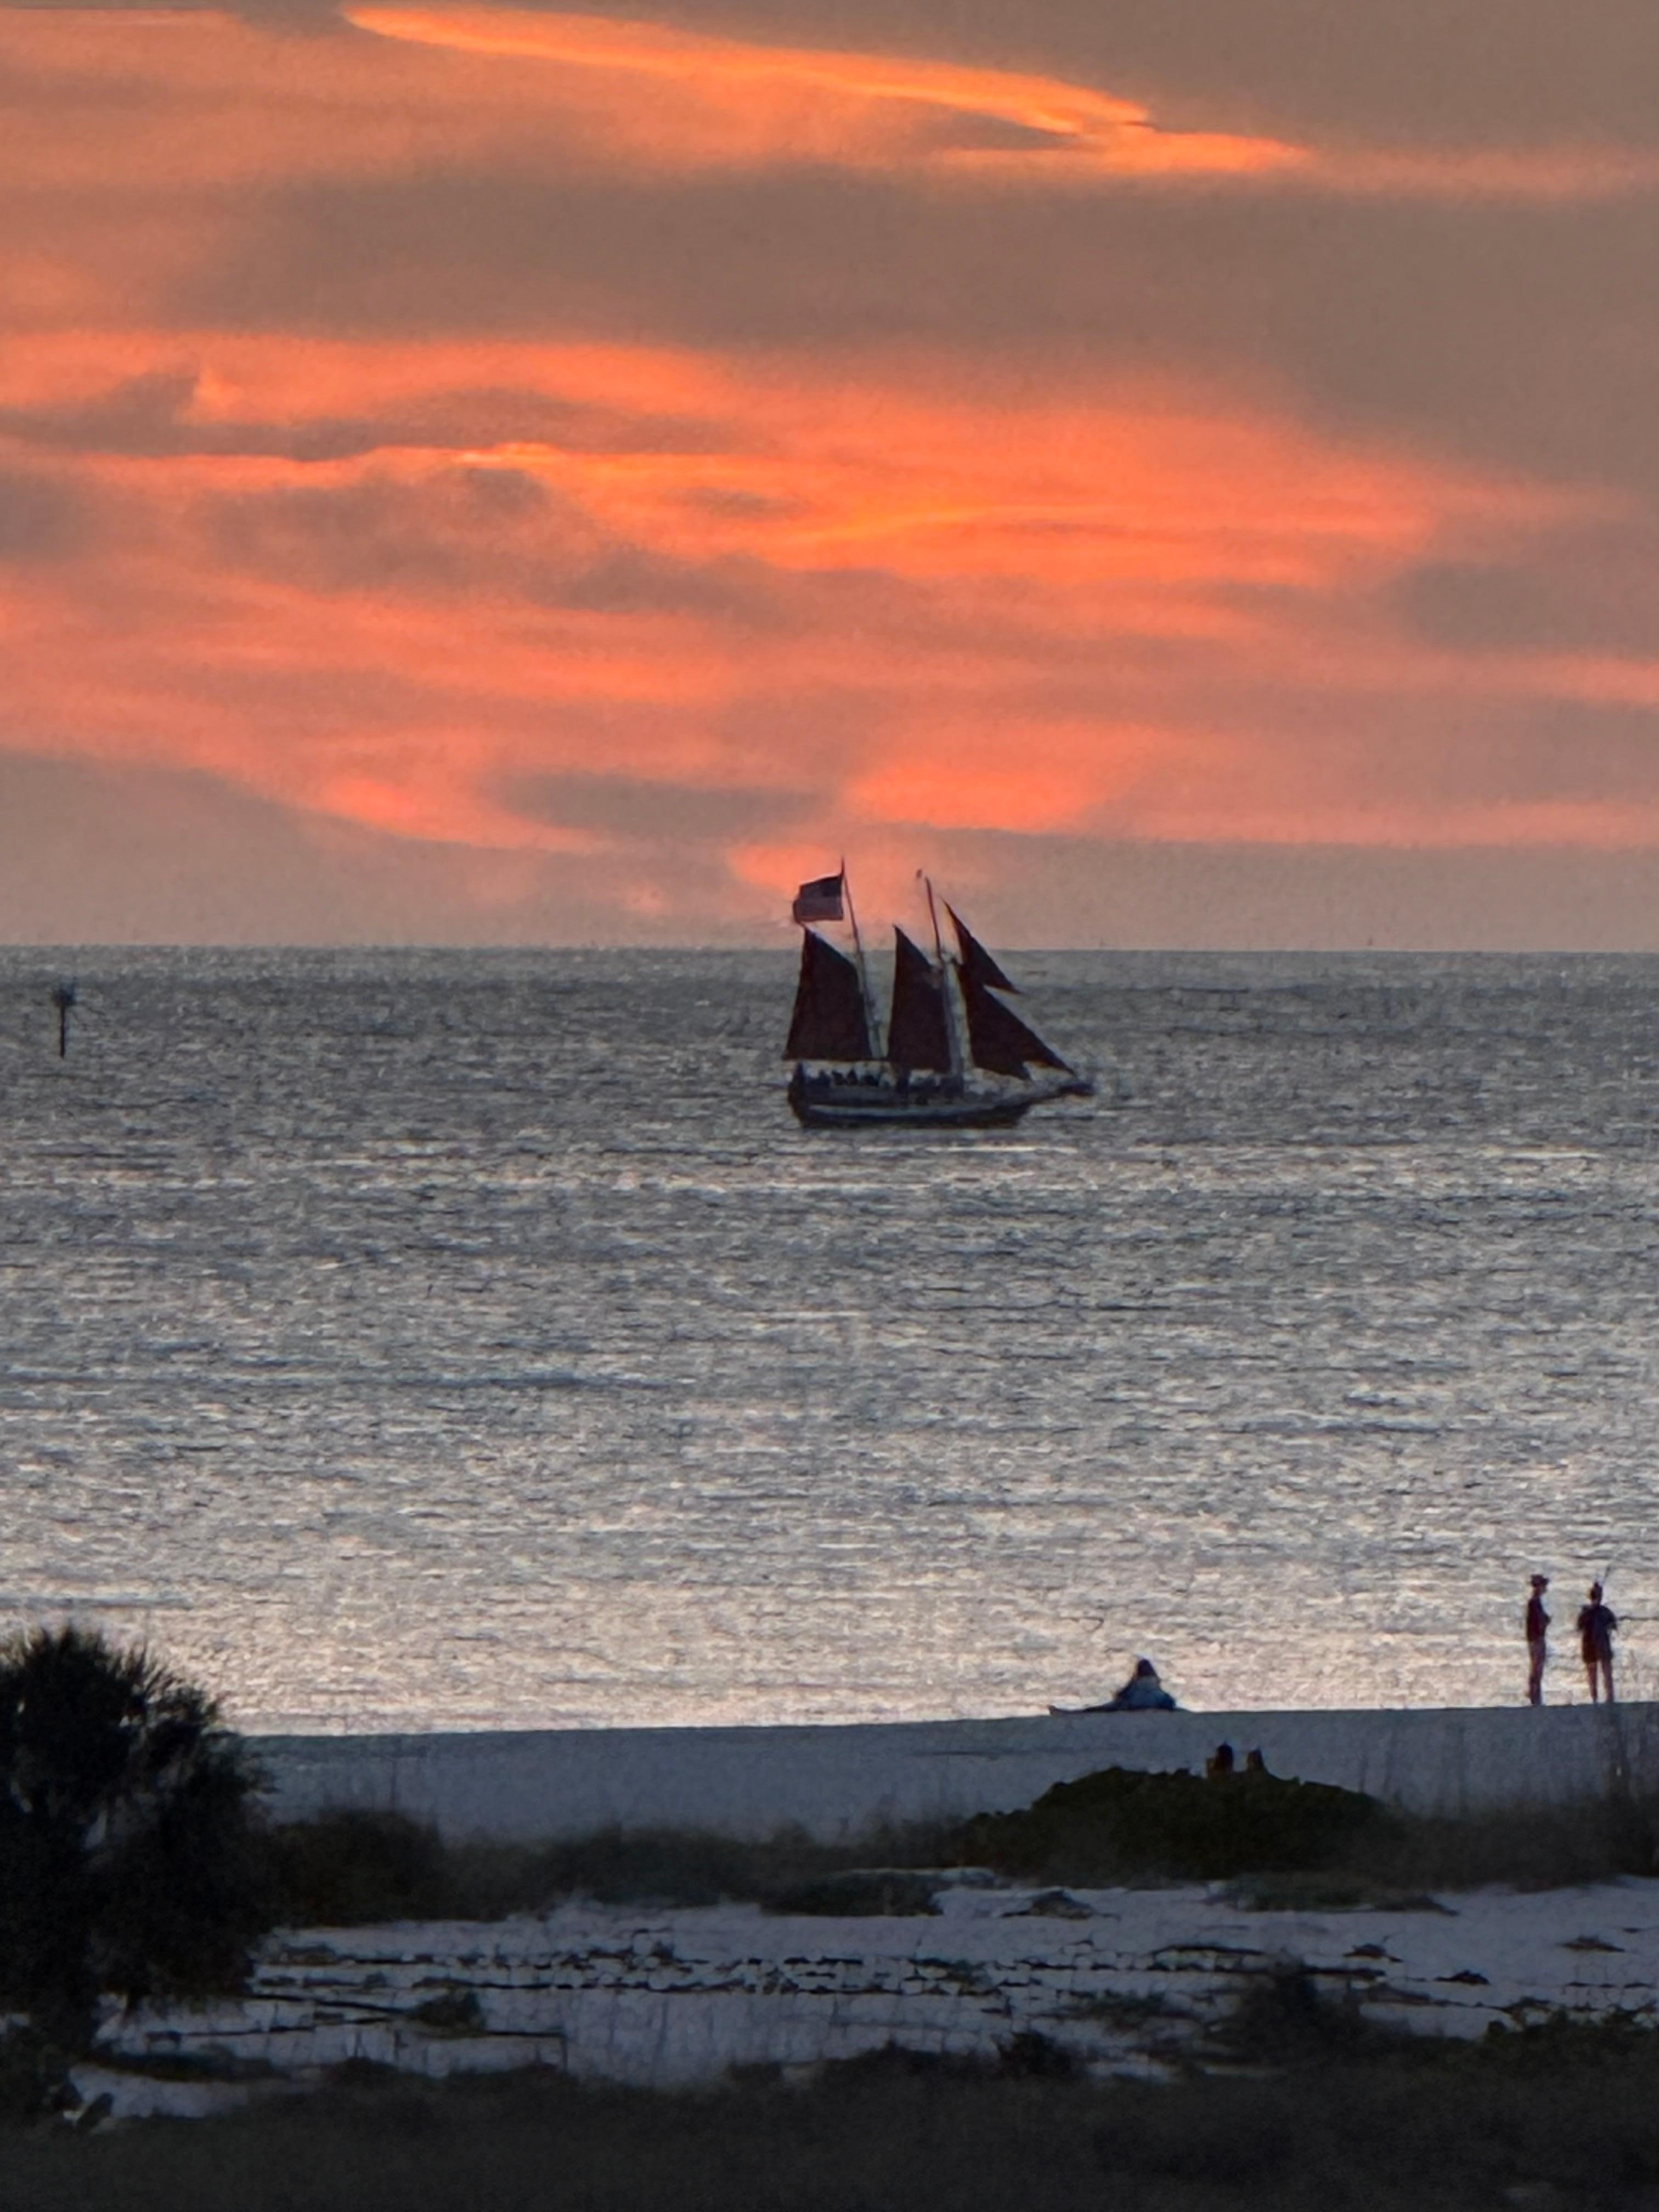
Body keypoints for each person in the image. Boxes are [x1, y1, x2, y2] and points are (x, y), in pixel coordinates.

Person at [1577, 1582, 1617, 1705]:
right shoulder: (1603, 1611)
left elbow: (1579, 1626)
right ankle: (1607, 1699)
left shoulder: (1587, 1612)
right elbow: (1613, 1625)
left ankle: (1598, 1699)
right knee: (1603, 1673)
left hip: (1593, 1645)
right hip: (1599, 1645)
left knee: (1595, 1674)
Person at [1098, 1658, 1177, 1712]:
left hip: (1135, 1703)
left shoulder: (1136, 1685)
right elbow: (1170, 1702)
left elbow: (1123, 1697)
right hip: (1153, 1703)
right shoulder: (1156, 1687)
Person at [1525, 1574, 1550, 1707]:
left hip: (1534, 1639)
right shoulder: (1535, 1602)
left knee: (1536, 1667)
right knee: (1537, 1668)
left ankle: (1535, 1694)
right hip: (1537, 1639)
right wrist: (1546, 1621)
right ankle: (1535, 1695)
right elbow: (1539, 1623)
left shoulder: (1534, 1602)